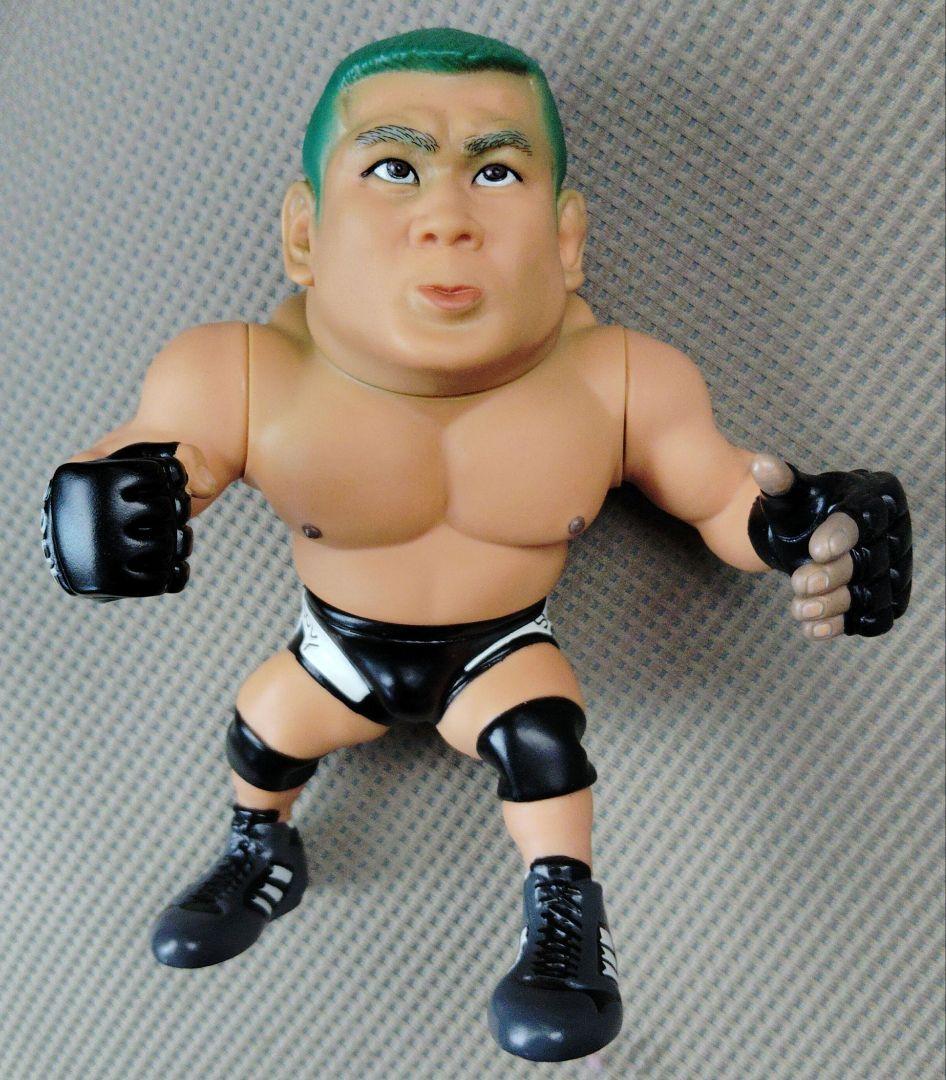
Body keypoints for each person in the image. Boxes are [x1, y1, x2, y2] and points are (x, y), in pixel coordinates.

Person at [41, 27, 912, 1063]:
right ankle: (258, 846)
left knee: (543, 743)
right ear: (306, 232)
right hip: (335, 649)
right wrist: (106, 510)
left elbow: (723, 495)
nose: (446, 218)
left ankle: (565, 922)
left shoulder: (618, 383)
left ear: (566, 238)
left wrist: (804, 527)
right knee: (264, 731)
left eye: (495, 172)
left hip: (500, 649)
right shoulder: (242, 374)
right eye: (394, 169)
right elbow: (153, 454)